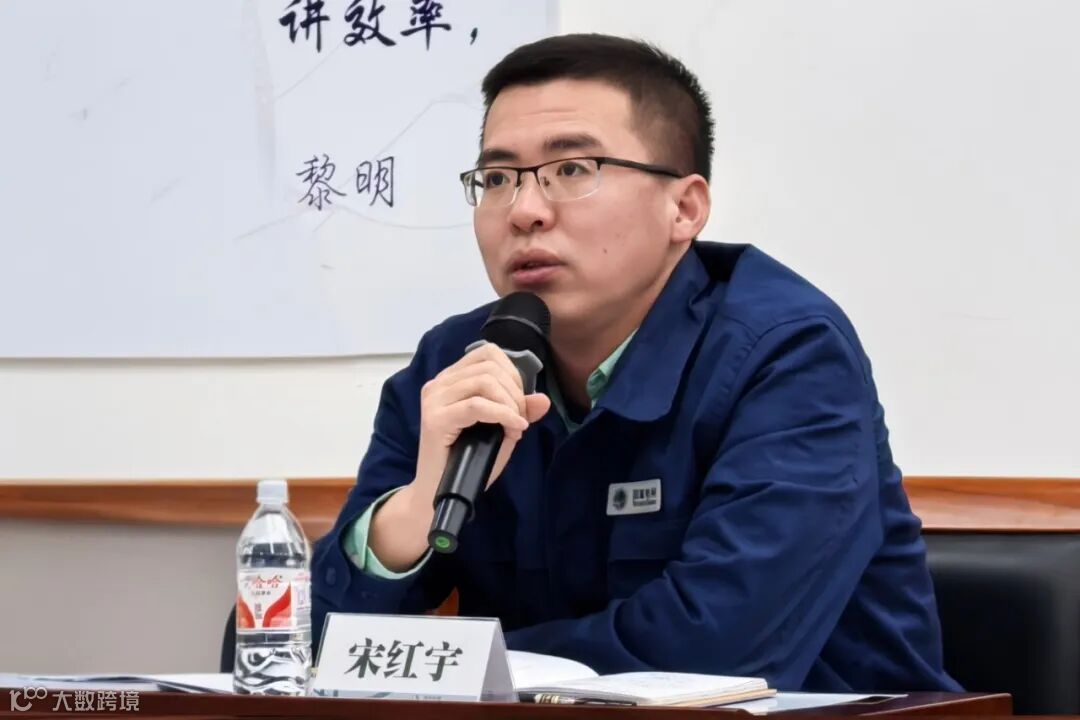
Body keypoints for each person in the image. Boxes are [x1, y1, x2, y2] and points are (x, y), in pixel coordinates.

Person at [311, 33, 959, 692]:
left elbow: (716, 652)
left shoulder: (788, 355)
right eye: (498, 179)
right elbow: (297, 650)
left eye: (573, 169)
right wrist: (417, 508)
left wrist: (460, 663)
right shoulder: (456, 365)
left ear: (684, 208)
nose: (524, 211)